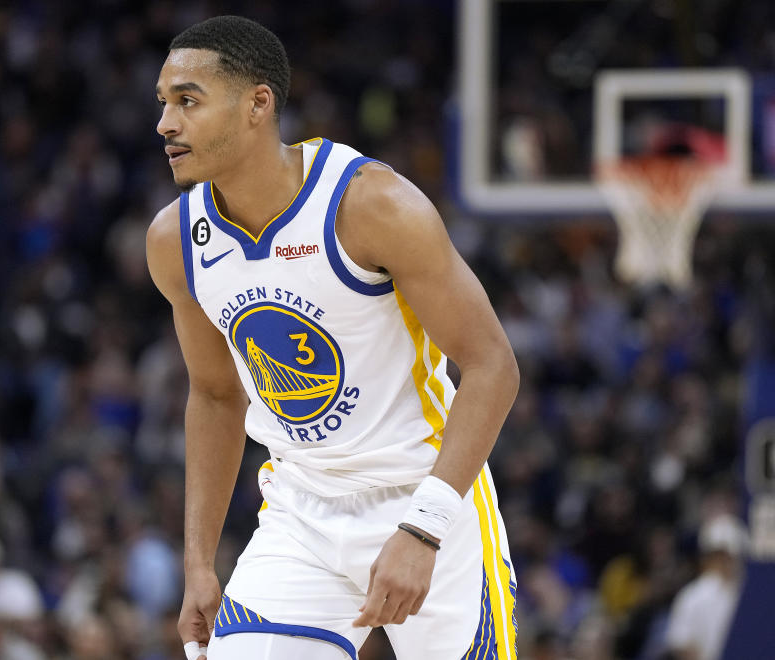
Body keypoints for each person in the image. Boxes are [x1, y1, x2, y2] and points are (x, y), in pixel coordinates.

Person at [146, 15, 520, 660]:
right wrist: (199, 562)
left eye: (188, 101)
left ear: (258, 103)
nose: (165, 125)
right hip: (300, 507)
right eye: (163, 104)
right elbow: (213, 396)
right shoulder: (174, 241)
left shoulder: (371, 205)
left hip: (425, 493)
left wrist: (424, 529)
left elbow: (492, 366)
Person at [664, 514, 748, 660]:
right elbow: (682, 645)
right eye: (717, 555)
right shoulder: (692, 596)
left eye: (727, 555)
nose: (723, 562)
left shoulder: (752, 595)